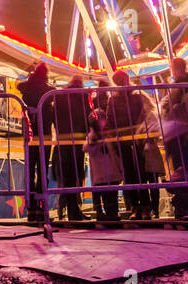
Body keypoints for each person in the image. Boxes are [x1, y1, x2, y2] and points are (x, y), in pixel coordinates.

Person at [162, 57, 188, 219]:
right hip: (177, 133)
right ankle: (183, 207)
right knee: (181, 172)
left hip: (182, 134)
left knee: (184, 171)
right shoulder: (184, 85)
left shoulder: (186, 86)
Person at [107, 69, 149, 220]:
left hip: (135, 139)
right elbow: (110, 120)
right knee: (130, 174)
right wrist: (115, 135)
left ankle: (144, 206)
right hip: (123, 141)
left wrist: (138, 131)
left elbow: (142, 116)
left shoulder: (136, 97)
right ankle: (135, 206)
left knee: (140, 173)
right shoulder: (113, 100)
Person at [18, 62, 51, 223]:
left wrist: (30, 77)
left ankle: (31, 208)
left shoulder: (26, 88)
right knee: (43, 170)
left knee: (30, 170)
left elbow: (20, 85)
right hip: (44, 135)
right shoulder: (48, 92)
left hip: (30, 135)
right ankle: (42, 206)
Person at [52, 76, 90, 220]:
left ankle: (66, 208)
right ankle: (74, 210)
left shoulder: (60, 96)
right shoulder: (82, 95)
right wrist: (85, 132)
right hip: (76, 140)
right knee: (75, 176)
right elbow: (86, 116)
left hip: (63, 140)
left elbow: (54, 116)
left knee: (66, 177)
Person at [85, 82, 122, 221]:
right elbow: (87, 148)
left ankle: (112, 212)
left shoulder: (108, 135)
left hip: (108, 171)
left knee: (110, 192)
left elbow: (113, 152)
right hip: (101, 171)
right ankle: (101, 212)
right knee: (101, 192)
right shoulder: (93, 136)